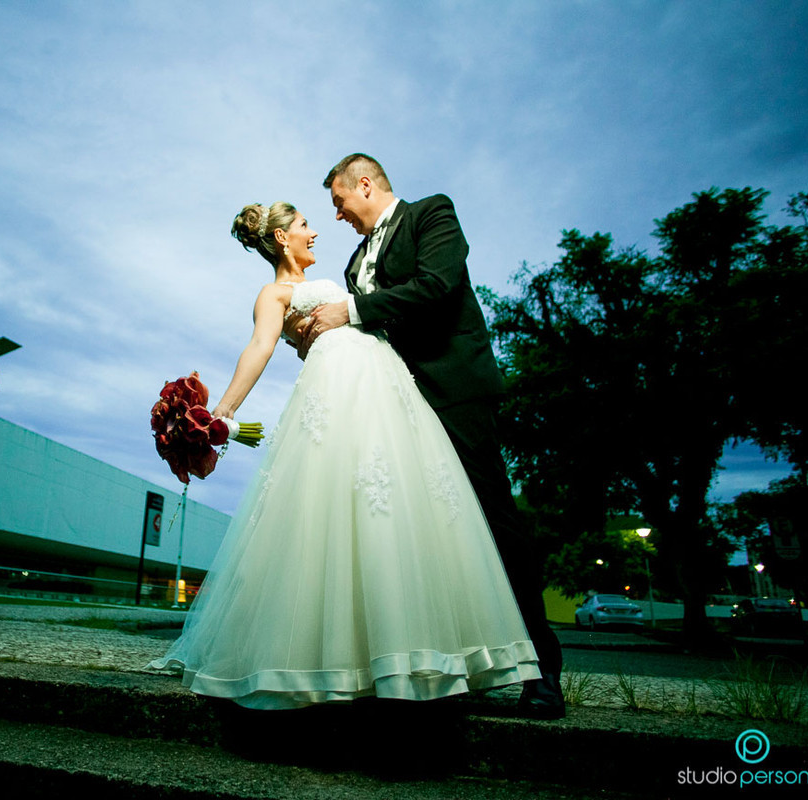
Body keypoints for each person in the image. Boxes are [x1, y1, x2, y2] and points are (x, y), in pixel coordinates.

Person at [147, 199, 540, 710]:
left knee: (399, 501)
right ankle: (337, 657)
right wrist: (218, 413)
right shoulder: (274, 292)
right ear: (283, 238)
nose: (316, 233)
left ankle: (413, 651)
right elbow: (261, 347)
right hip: (336, 387)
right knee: (336, 508)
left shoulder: (344, 280)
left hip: (384, 383)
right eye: (307, 226)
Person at [304, 153, 564, 719]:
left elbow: (437, 285)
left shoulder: (431, 215)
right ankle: (448, 665)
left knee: (494, 520)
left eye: (340, 202)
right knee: (421, 533)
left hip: (454, 389)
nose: (339, 216)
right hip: (394, 406)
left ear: (364, 184)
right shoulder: (353, 263)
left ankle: (542, 672)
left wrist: (349, 310)